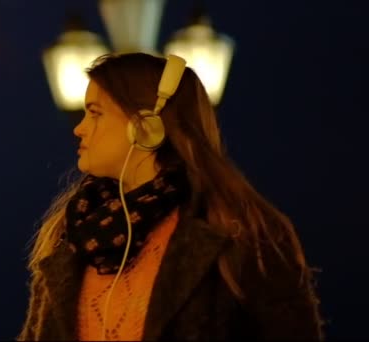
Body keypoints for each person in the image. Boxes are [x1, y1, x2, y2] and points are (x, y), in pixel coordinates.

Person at [17, 52, 324, 341]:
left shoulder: (238, 229)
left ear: (146, 126)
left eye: (95, 114)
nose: (80, 129)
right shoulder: (70, 233)